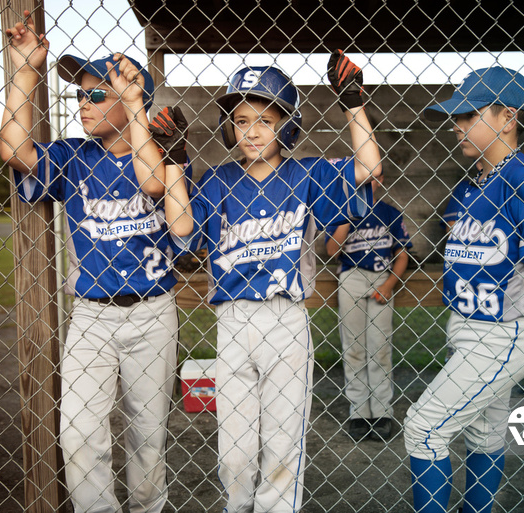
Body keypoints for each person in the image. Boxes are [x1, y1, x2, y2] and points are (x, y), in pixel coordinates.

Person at [153, 51, 381, 512]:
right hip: (233, 322)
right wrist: (175, 160)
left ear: (287, 124)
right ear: (228, 127)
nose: (251, 131)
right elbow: (181, 230)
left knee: (281, 445)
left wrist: (354, 105)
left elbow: (369, 170)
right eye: (240, 120)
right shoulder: (217, 180)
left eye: (264, 119)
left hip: (285, 319)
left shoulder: (309, 172)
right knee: (235, 454)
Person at [1, 12, 178, 513]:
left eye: (97, 93)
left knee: (147, 439)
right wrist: (24, 72)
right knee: (78, 433)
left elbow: (158, 185)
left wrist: (138, 106)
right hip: (93, 315)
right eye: (80, 94)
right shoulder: (76, 157)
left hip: (152, 311)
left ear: (129, 97)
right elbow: (13, 149)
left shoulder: (163, 156)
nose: (83, 103)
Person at [402, 66, 524, 513]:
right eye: (456, 117)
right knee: (484, 434)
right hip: (467, 327)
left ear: (508, 117)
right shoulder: (471, 184)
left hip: (504, 334)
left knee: (424, 429)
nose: (457, 125)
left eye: (469, 115)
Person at [325, 175, 412, 442]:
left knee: (380, 347)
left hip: (381, 279)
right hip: (351, 278)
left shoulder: (389, 212)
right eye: (356, 180)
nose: (363, 184)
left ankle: (383, 411)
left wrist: (389, 284)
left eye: (370, 179)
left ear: (380, 181)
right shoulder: (341, 212)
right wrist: (347, 216)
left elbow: (402, 253)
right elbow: (331, 251)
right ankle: (359, 413)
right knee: (353, 348)